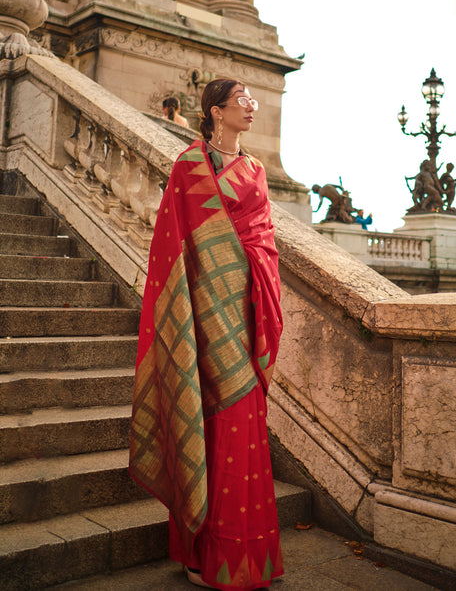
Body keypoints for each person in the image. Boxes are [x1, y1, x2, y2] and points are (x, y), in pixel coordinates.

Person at [130, 78, 283, 590]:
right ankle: (200, 552)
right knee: (203, 419)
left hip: (243, 310)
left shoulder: (258, 171)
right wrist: (188, 305)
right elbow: (170, 246)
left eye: (253, 101)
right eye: (242, 100)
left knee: (241, 422)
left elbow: (264, 237)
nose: (251, 107)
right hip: (197, 313)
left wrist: (248, 269)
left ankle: (243, 556)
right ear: (216, 111)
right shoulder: (188, 167)